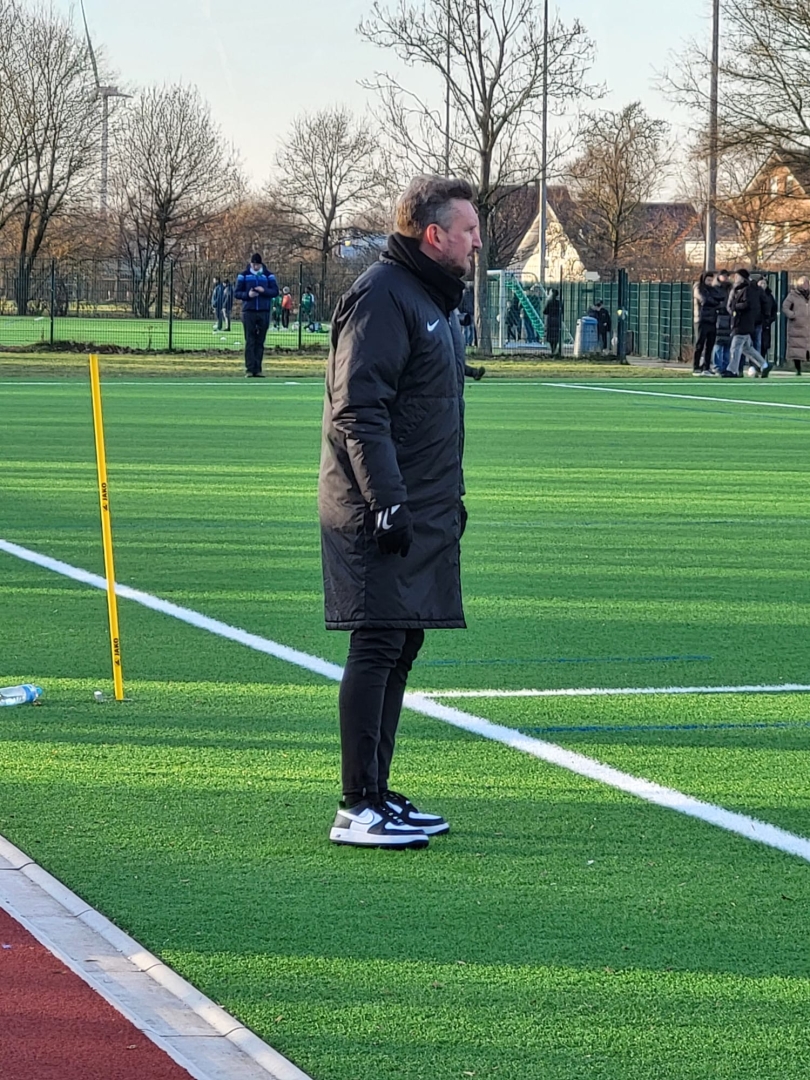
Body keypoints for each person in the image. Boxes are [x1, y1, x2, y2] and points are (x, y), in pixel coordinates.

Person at [319, 174, 481, 848]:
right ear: (434, 234)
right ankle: (356, 805)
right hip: (377, 508)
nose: (476, 243)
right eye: (469, 231)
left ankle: (378, 793)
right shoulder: (384, 295)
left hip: (421, 503)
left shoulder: (427, 298)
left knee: (403, 640)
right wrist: (386, 503)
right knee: (379, 639)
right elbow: (361, 408)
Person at [235, 254, 279, 377]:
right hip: (248, 311)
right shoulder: (243, 275)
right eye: (254, 264)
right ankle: (249, 369)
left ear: (260, 264)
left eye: (257, 265)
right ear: (251, 264)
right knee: (250, 340)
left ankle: (258, 369)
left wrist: (264, 291)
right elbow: (237, 293)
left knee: (260, 341)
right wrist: (248, 295)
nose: (255, 267)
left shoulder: (268, 276)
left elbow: (275, 291)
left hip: (264, 311)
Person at [723, 268, 769, 378]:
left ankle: (732, 370)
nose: (735, 278)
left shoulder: (748, 289)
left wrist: (734, 307)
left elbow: (747, 304)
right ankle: (764, 364)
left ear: (742, 277)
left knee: (735, 347)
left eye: (737, 276)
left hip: (743, 322)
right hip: (742, 321)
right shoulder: (739, 289)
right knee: (747, 348)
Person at [782, 275, 810, 375]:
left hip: (808, 326)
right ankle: (798, 369)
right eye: (803, 284)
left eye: (807, 283)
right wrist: (792, 315)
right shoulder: (792, 295)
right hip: (796, 327)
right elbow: (785, 307)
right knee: (796, 349)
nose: (805, 285)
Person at [693, 271, 719, 374]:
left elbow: (721, 298)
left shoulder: (713, 289)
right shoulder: (698, 288)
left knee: (710, 345)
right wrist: (715, 302)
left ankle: (706, 367)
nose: (710, 282)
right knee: (700, 344)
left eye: (712, 280)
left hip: (712, 320)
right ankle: (696, 366)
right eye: (708, 280)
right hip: (701, 320)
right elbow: (704, 300)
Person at [757, 277, 777, 360]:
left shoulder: (769, 296)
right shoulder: (754, 294)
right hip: (755, 323)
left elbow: (774, 309)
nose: (763, 285)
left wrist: (771, 319)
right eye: (761, 283)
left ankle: (762, 361)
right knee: (755, 343)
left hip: (766, 324)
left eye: (764, 283)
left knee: (764, 344)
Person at [543, 288, 562, 356]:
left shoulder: (549, 301)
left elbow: (545, 311)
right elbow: (562, 311)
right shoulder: (559, 302)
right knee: (556, 335)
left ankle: (552, 350)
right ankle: (555, 348)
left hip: (550, 320)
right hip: (557, 320)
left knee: (550, 336)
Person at [459, 282, 476, 347]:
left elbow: (461, 303)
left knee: (467, 328)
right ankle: (468, 342)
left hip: (467, 312)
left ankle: (467, 342)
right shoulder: (472, 294)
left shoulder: (464, 293)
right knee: (470, 328)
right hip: (470, 312)